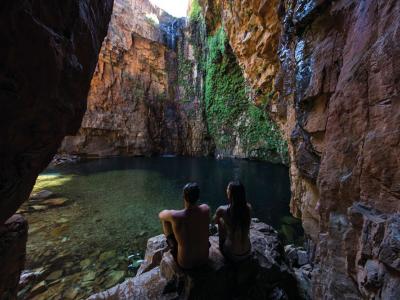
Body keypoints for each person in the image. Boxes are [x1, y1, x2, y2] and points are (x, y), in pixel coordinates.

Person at [159, 182, 210, 269]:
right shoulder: (206, 209)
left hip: (186, 263)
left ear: (184, 196)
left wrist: (171, 212)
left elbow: (161, 215)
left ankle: (173, 246)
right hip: (204, 259)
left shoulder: (176, 216)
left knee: (166, 221)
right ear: (198, 197)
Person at [214, 180, 251, 262]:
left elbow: (215, 221)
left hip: (232, 254)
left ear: (231, 193)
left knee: (220, 221)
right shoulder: (248, 208)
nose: (226, 190)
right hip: (248, 251)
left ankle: (221, 245)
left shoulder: (222, 210)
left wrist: (224, 222)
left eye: (227, 188)